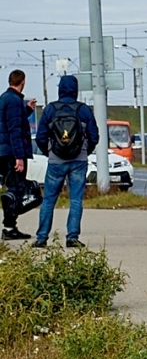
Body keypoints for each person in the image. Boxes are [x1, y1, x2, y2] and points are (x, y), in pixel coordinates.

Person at [34, 75, 99, 248]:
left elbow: (40, 137)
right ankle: (72, 237)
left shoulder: (50, 110)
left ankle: (41, 238)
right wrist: (85, 150)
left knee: (48, 199)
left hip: (56, 160)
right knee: (76, 200)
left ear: (60, 89)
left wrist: (50, 152)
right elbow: (94, 136)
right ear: (76, 90)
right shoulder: (83, 110)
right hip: (79, 160)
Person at [0, 69, 36, 240]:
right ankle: (9, 227)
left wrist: (27, 110)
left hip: (5, 151)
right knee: (15, 190)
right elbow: (15, 131)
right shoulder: (14, 101)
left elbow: (10, 122)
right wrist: (19, 157)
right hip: (12, 153)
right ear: (23, 82)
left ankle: (10, 226)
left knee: (14, 188)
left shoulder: (5, 98)